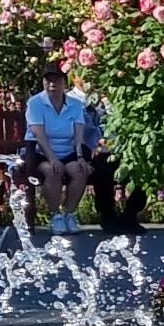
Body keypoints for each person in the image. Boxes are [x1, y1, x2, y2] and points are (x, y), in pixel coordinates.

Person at [23, 60, 100, 229]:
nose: (52, 84)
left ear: (64, 82)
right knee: (52, 171)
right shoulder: (35, 103)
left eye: (57, 80)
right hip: (40, 152)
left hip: (68, 151)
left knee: (79, 170)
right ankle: (55, 215)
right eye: (48, 80)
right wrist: (52, 158)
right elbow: (39, 134)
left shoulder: (75, 104)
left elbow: (79, 134)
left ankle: (69, 213)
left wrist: (81, 157)